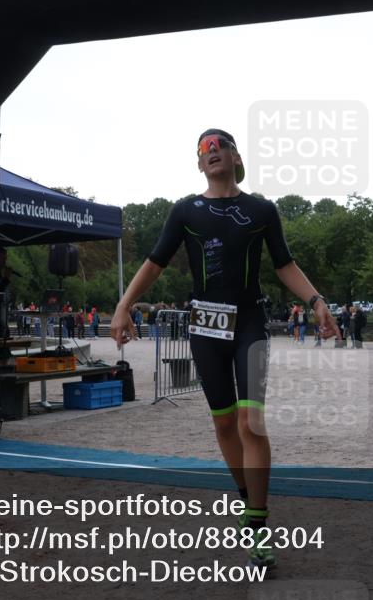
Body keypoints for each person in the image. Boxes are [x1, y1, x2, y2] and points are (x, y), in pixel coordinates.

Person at [109, 128, 338, 570]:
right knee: (225, 423)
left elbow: (284, 264)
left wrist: (316, 300)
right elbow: (154, 263)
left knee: (251, 422)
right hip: (206, 324)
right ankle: (247, 498)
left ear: (235, 157)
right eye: (204, 149)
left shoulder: (261, 210)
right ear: (199, 164)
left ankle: (258, 522)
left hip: (250, 320)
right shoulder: (185, 211)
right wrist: (123, 306)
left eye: (220, 146)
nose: (212, 151)